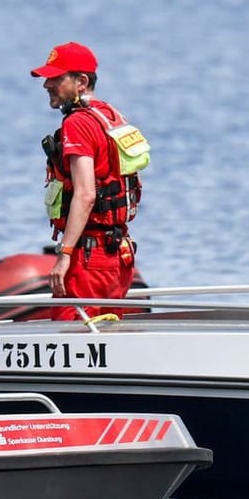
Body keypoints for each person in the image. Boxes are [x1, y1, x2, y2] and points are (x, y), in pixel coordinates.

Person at [33, 41, 145, 318]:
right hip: (117, 255)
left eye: (56, 78)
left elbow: (85, 194)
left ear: (81, 81)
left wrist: (65, 254)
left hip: (88, 258)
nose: (47, 84)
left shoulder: (77, 123)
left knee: (71, 338)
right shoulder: (109, 116)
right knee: (108, 341)